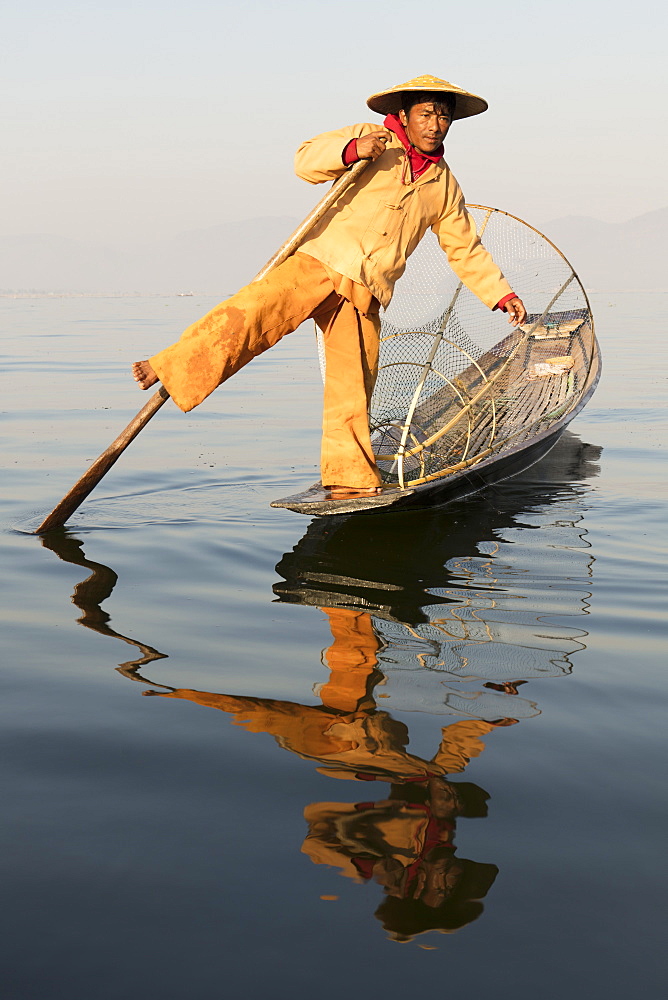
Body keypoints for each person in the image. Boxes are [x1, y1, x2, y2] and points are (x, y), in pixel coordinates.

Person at [132, 74, 527, 497]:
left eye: (443, 117)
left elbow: (464, 247)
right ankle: (169, 365)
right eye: (426, 114)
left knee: (352, 388)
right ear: (404, 116)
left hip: (366, 290)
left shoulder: (443, 184)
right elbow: (305, 161)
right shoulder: (371, 138)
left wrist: (501, 295)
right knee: (247, 316)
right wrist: (351, 151)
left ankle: (349, 480)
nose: (435, 125)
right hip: (319, 262)